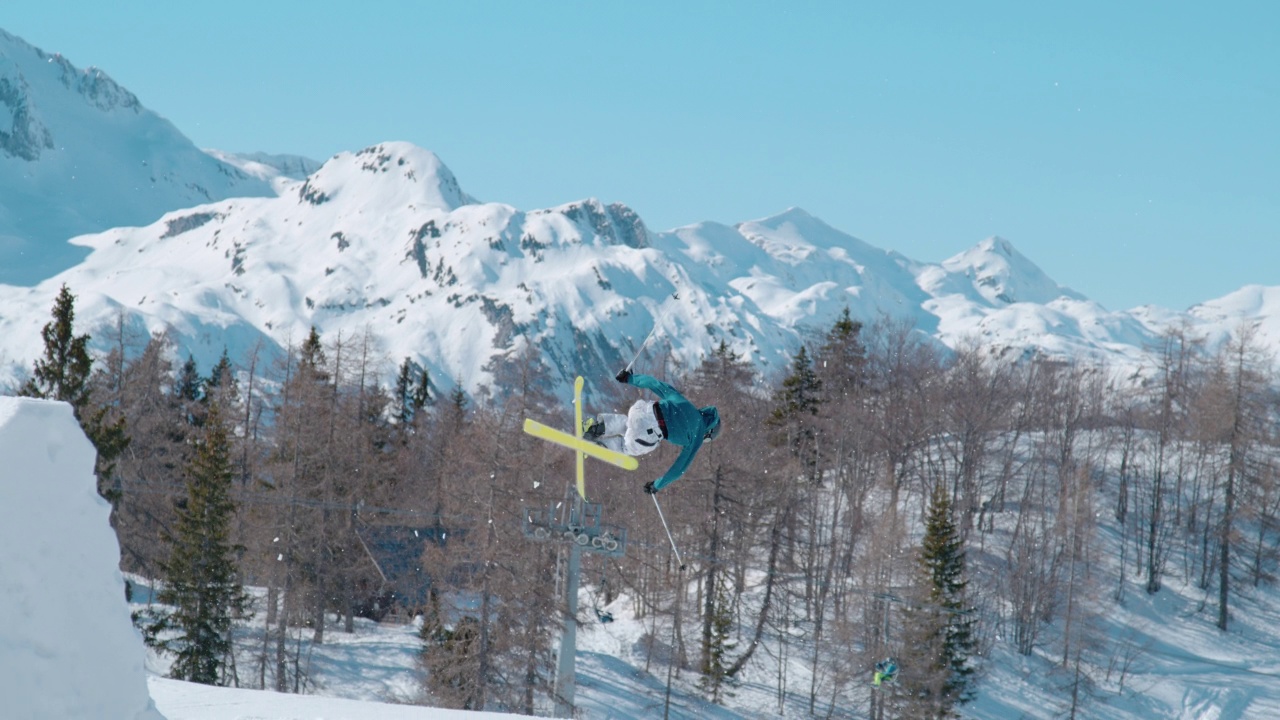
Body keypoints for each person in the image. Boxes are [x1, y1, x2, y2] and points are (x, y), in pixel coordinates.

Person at [584, 368, 720, 494]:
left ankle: (596, 428)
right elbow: (679, 469)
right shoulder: (697, 435)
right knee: (626, 447)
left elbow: (655, 384)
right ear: (708, 432)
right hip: (651, 430)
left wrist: (630, 378)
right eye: (707, 439)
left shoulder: (684, 403)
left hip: (642, 409)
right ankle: (596, 447)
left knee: (627, 424)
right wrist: (657, 485)